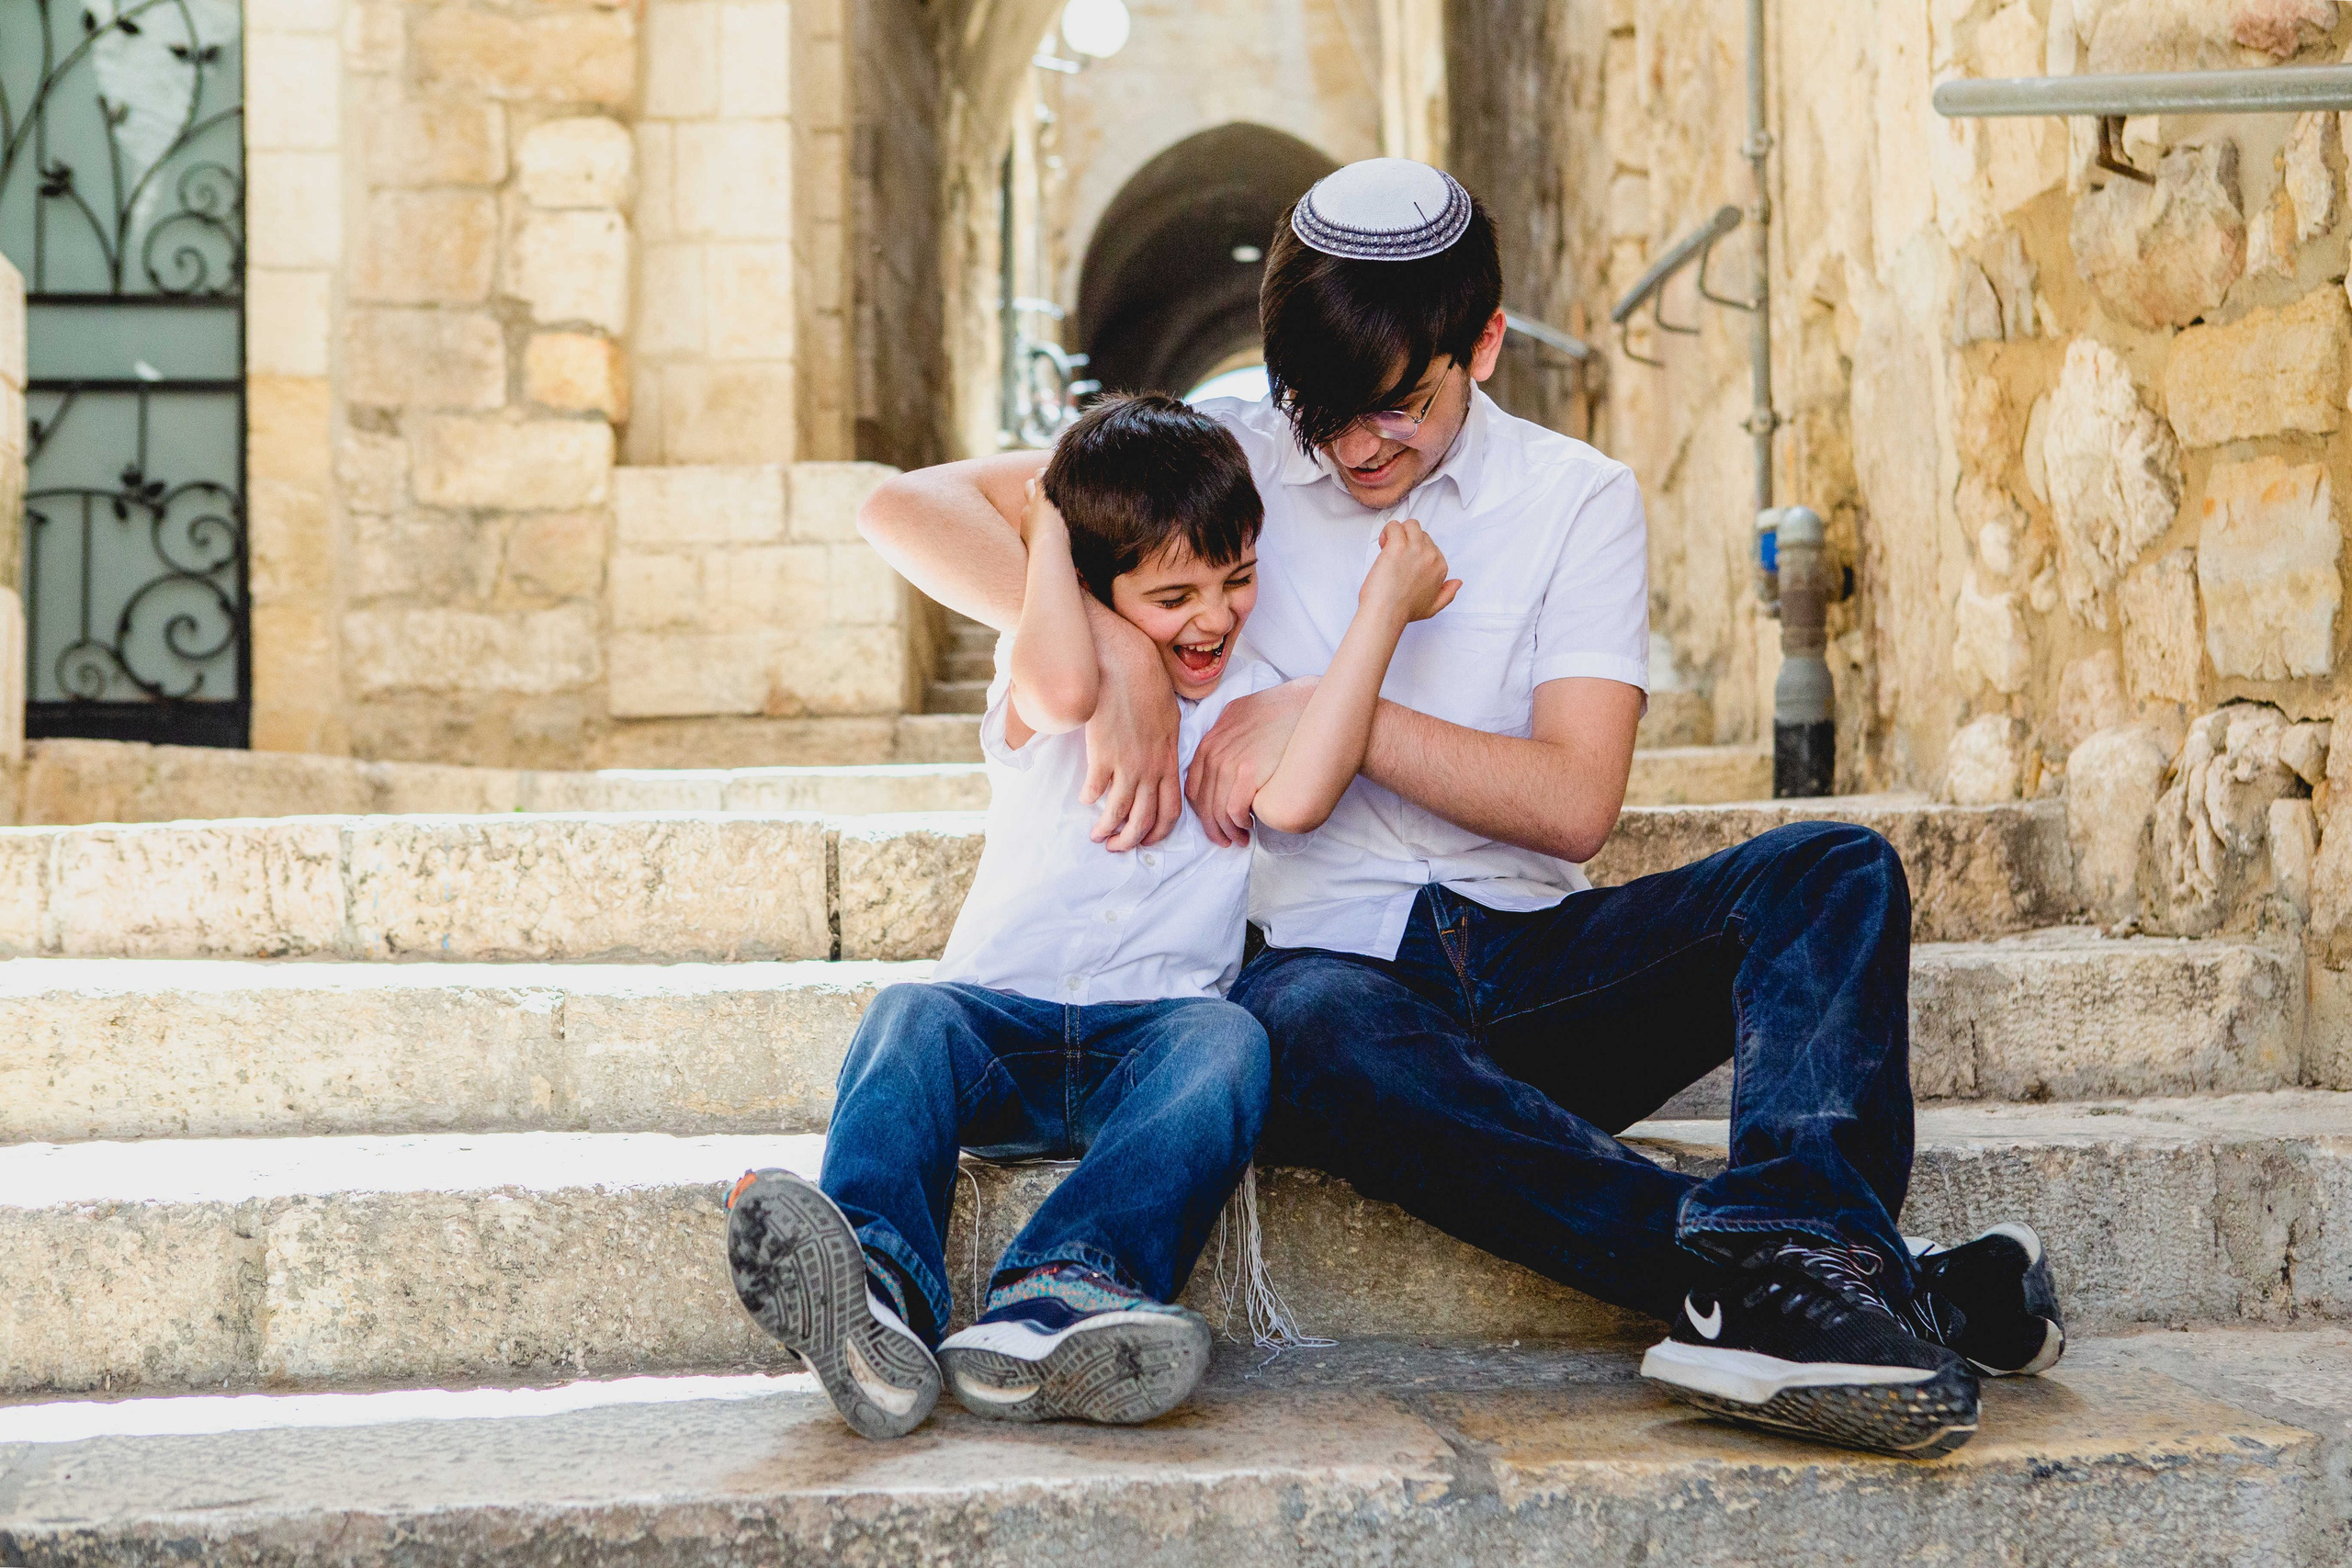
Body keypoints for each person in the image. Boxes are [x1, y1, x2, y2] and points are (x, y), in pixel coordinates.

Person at [854, 158, 2064, 1459]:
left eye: (1403, 407)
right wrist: (1124, 649)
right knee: (1299, 1019)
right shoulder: (1230, 462)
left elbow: (1573, 799)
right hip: (1324, 986)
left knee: (1836, 872)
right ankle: (1816, 1277)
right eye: (1322, 410)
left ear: (1485, 343)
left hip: (1533, 965)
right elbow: (906, 506)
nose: (1357, 445)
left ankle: (1795, 1262)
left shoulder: (1576, 497)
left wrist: (1340, 710)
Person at [725, 392, 1458, 1439]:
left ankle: (1061, 1292)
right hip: (998, 1028)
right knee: (907, 1016)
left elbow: (1295, 799)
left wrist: (1381, 614)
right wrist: (1050, 531)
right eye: (1173, 595)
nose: (1213, 616)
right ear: (1093, 589)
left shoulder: (1252, 696)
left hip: (1147, 1041)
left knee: (1230, 1042)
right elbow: (1067, 682)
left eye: (1237, 579)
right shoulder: (1047, 667)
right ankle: (873, 1290)